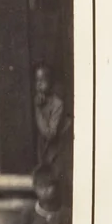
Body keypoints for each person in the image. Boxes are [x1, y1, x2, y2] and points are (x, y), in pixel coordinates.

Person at [34, 63, 73, 197]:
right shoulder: (39, 100)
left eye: (43, 81)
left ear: (50, 82)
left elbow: (50, 133)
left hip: (55, 152)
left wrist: (39, 111)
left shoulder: (57, 104)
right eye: (37, 81)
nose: (39, 84)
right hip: (43, 150)